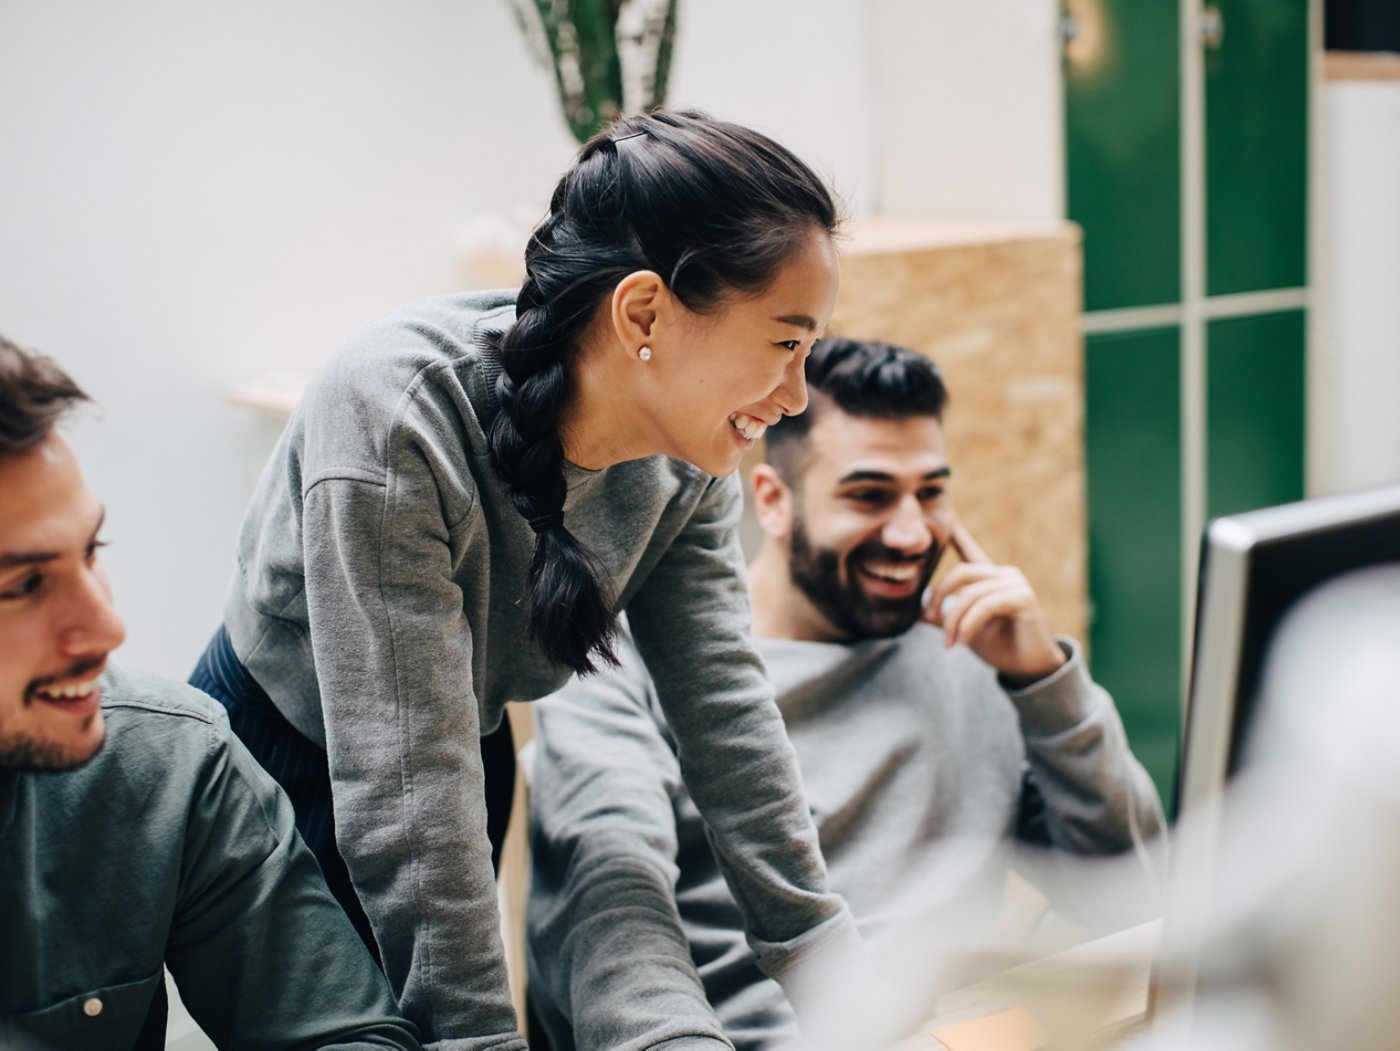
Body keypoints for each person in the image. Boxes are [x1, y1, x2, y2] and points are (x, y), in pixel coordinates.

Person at [190, 110, 868, 1048]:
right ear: (643, 313)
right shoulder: (396, 418)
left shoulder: (691, 453)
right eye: (785, 344)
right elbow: (403, 790)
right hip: (281, 768)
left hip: (461, 744)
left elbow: (723, 711)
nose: (796, 397)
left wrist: (843, 980)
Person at [526, 338, 1168, 1049]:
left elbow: (1133, 892)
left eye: (931, 493)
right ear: (771, 501)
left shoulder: (973, 653)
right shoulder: (620, 667)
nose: (909, 531)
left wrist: (1043, 680)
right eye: (868, 494)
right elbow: (605, 940)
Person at [0, 337, 421, 1051]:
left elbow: (351, 1036)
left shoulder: (168, 760)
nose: (107, 626)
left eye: (91, 551)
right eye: (22, 584)